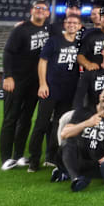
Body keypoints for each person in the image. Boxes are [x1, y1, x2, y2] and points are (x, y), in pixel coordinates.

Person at [28, 14, 83, 172]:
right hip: (51, 89)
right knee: (41, 124)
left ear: (79, 26)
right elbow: (42, 62)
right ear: (65, 24)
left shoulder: (80, 44)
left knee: (59, 125)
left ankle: (50, 157)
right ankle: (33, 159)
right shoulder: (54, 41)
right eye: (69, 22)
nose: (72, 25)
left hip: (68, 91)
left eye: (75, 23)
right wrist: (43, 84)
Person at [1, 0, 50, 170]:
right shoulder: (21, 29)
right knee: (10, 119)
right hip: (16, 81)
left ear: (48, 13)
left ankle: (19, 155)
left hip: (35, 82)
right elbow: (8, 52)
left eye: (43, 9)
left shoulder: (49, 30)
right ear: (32, 10)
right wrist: (8, 76)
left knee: (26, 119)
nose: (40, 11)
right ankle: (6, 158)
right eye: (37, 8)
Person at [57, 86, 104, 192]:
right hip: (78, 158)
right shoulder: (84, 111)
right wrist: (87, 123)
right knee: (68, 143)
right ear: (100, 96)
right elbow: (64, 134)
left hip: (97, 161)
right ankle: (76, 179)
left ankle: (67, 173)